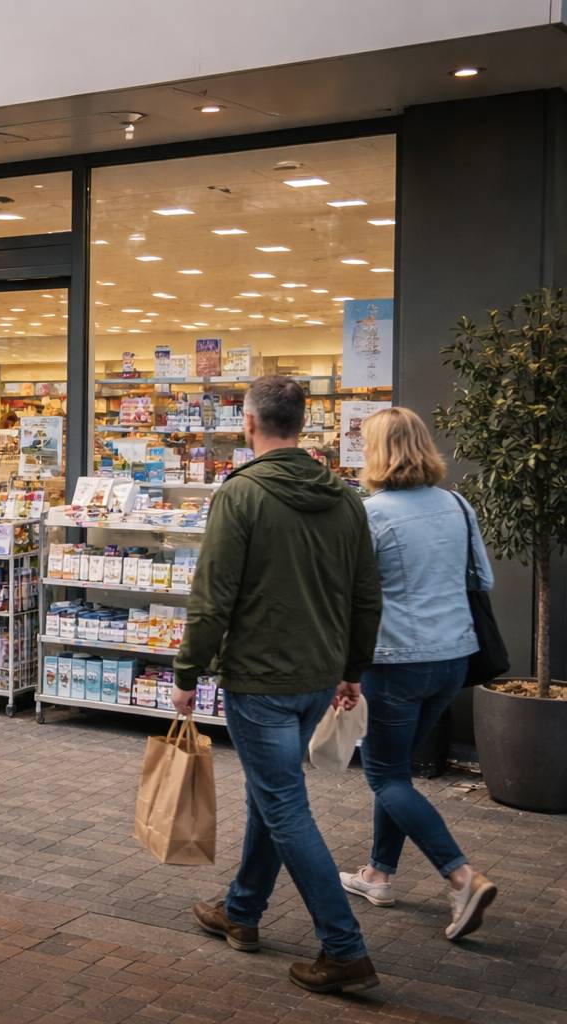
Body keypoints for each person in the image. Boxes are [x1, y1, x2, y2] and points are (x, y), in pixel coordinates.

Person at [173, 375, 383, 994]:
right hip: (318, 675)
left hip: (260, 680)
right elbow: (367, 596)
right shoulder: (345, 499)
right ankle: (241, 910)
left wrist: (187, 673)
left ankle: (344, 947)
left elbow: (212, 599)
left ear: (249, 423)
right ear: (301, 423)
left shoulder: (241, 495)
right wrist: (352, 669)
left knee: (285, 806)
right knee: (275, 794)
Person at [337, 407, 498, 940]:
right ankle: (378, 875)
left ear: (376, 452)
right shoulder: (457, 504)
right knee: (397, 771)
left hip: (395, 660)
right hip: (453, 657)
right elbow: (483, 577)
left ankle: (461, 877)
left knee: (383, 774)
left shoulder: (370, 514)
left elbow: (352, 596)